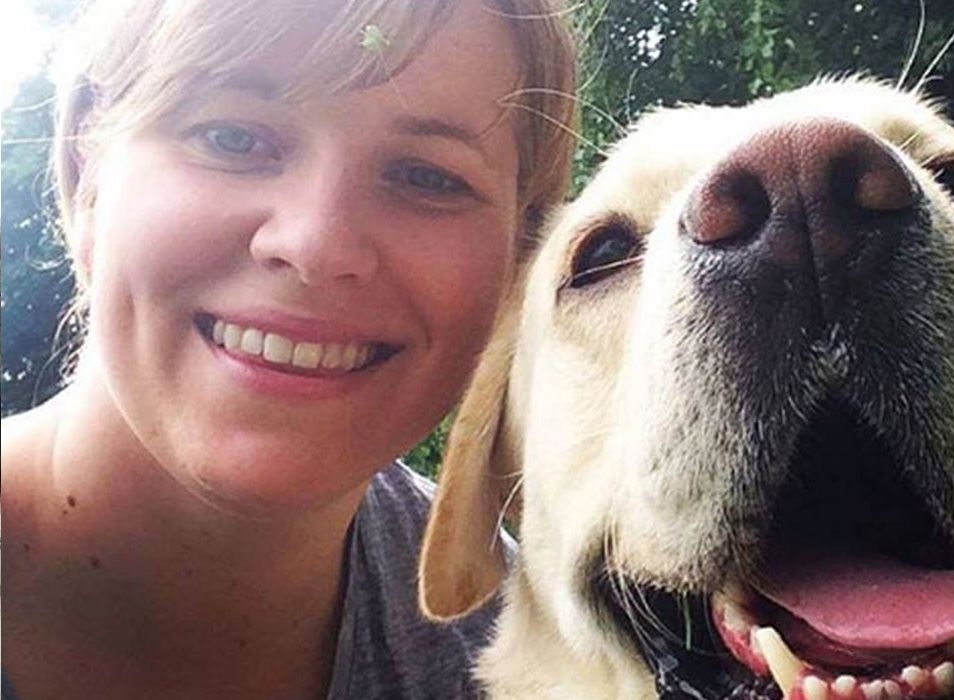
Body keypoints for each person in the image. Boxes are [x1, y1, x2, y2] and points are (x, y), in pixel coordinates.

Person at [0, 0, 575, 697]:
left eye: (427, 177)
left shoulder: (530, 664)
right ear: (87, 175)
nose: (316, 245)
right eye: (234, 138)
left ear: (524, 256)